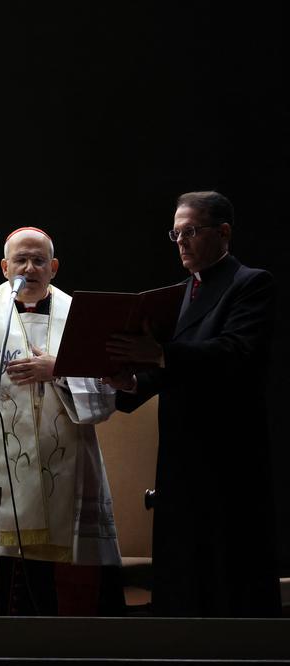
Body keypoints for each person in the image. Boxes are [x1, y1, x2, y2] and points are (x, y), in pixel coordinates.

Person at [0, 214, 122, 616]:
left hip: (68, 467)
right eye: (20, 260)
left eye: (39, 261)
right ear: (4, 267)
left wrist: (59, 370)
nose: (30, 268)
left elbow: (106, 395)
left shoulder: (79, 314)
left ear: (54, 267)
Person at [105, 191, 280, 617]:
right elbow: (167, 371)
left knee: (228, 581)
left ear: (223, 233)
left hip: (229, 459)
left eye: (191, 231)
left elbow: (235, 353)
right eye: (176, 233)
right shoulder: (181, 293)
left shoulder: (252, 284)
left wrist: (159, 354)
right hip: (181, 461)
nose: (180, 241)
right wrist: (128, 382)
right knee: (182, 582)